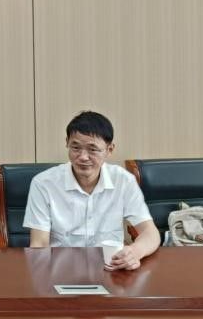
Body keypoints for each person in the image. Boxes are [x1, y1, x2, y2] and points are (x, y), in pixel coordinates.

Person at [22, 111, 159, 270]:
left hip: (111, 269)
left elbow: (150, 233)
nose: (83, 157)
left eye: (92, 149)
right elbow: (39, 244)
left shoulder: (123, 181)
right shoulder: (43, 184)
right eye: (75, 147)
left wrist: (135, 252)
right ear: (67, 143)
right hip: (62, 270)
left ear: (109, 149)